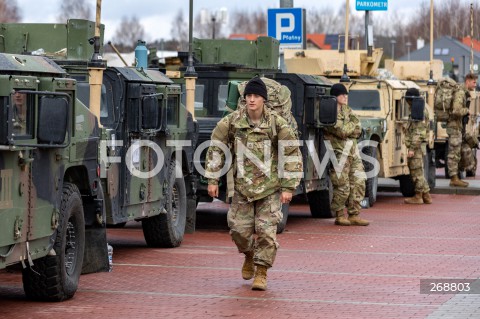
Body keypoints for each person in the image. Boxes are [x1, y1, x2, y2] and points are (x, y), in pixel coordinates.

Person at [205, 77, 302, 291]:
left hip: (269, 189)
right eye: (248, 96)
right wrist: (212, 178)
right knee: (239, 231)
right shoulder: (233, 121)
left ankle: (261, 272)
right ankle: (248, 253)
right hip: (242, 188)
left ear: (263, 100)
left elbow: (292, 152)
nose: (251, 100)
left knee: (267, 233)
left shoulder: (277, 123)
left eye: (256, 96)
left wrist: (288, 187)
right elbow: (216, 147)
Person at [323, 83, 369, 226]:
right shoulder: (329, 113)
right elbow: (341, 131)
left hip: (352, 152)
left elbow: (358, 129)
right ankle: (339, 214)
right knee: (342, 186)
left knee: (359, 181)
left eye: (346, 94)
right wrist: (351, 128)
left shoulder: (347, 110)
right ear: (335, 96)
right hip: (339, 153)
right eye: (342, 94)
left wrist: (349, 129)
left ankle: (354, 214)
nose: (345, 97)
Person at [447, 73, 478, 187]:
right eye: (474, 82)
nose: (475, 84)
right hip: (454, 127)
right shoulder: (460, 93)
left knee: (464, 151)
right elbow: (456, 110)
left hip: (459, 127)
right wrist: (467, 111)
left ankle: (456, 176)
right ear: (468, 81)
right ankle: (453, 179)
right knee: (453, 153)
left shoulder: (464, 93)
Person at [403, 88, 432, 204]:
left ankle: (419, 196)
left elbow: (419, 132)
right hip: (417, 146)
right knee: (418, 171)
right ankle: (427, 196)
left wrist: (412, 148)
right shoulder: (417, 108)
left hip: (416, 147)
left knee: (416, 173)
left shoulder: (419, 110)